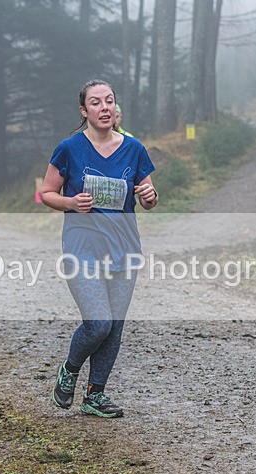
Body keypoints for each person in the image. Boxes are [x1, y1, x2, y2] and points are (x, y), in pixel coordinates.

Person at [41, 79, 158, 418]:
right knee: (98, 323)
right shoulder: (69, 148)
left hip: (124, 248)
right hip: (82, 248)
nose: (104, 107)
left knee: (115, 326)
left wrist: (150, 197)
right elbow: (46, 193)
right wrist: (71, 202)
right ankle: (70, 369)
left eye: (109, 101)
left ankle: (95, 395)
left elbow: (148, 195)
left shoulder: (134, 149)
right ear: (84, 110)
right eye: (96, 102)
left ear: (115, 108)